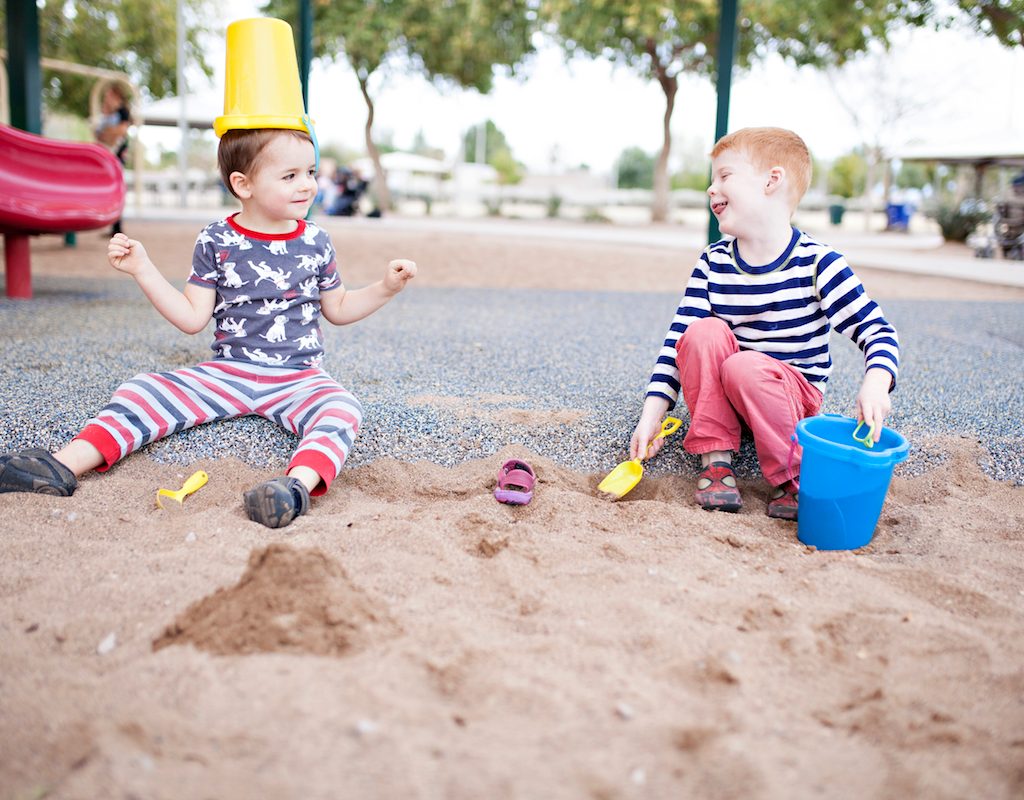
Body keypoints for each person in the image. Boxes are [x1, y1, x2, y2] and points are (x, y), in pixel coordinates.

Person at [0, 127, 417, 528]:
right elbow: (191, 317)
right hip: (226, 374)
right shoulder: (216, 239)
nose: (307, 185)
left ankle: (293, 488)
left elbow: (338, 307)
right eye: (289, 176)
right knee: (141, 389)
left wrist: (385, 287)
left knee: (342, 408)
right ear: (243, 184)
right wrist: (143, 269)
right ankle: (62, 465)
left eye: (310, 172)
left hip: (298, 377)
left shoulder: (316, 241)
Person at [630, 127, 899, 521]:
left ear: (772, 181)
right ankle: (716, 462)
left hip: (790, 398)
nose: (711, 188)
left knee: (745, 365)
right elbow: (677, 345)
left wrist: (876, 383)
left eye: (725, 175)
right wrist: (650, 417)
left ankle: (794, 476)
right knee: (701, 333)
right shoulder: (713, 263)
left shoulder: (818, 263)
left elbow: (877, 330)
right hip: (728, 395)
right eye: (712, 178)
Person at [94, 82, 131, 235]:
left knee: (116, 187)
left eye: (109, 95)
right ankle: (114, 226)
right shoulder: (109, 114)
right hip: (110, 152)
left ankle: (117, 227)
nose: (107, 98)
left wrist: (108, 133)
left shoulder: (121, 112)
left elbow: (120, 131)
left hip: (117, 153)